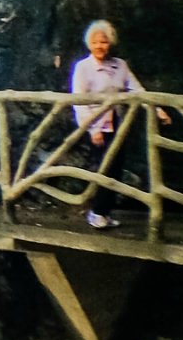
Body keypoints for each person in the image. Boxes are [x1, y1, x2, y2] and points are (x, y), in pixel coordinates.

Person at [68, 20, 164, 230]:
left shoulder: (119, 65)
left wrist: (156, 109)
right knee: (104, 168)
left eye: (103, 42)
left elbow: (137, 90)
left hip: (117, 124)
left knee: (117, 169)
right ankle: (96, 212)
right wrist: (92, 129)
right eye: (95, 42)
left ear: (110, 43)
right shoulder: (83, 68)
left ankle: (105, 212)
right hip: (96, 124)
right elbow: (79, 101)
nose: (99, 46)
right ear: (89, 44)